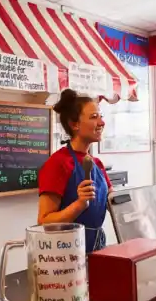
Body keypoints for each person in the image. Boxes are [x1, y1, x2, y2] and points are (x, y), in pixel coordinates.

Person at [37, 89, 112, 253]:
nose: (101, 123)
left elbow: (116, 202)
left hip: (97, 249)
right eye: (94, 117)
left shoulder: (97, 164)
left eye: (101, 116)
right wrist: (79, 204)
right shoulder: (58, 163)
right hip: (66, 255)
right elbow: (45, 223)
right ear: (74, 124)